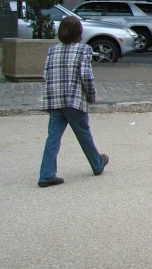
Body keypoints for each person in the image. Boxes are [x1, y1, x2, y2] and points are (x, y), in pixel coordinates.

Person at [38, 16, 109, 187]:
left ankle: (46, 174)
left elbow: (46, 75)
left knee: (53, 137)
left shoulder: (52, 50)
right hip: (73, 99)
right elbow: (86, 77)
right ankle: (97, 163)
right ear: (79, 32)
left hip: (55, 99)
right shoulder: (82, 50)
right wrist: (92, 97)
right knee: (84, 133)